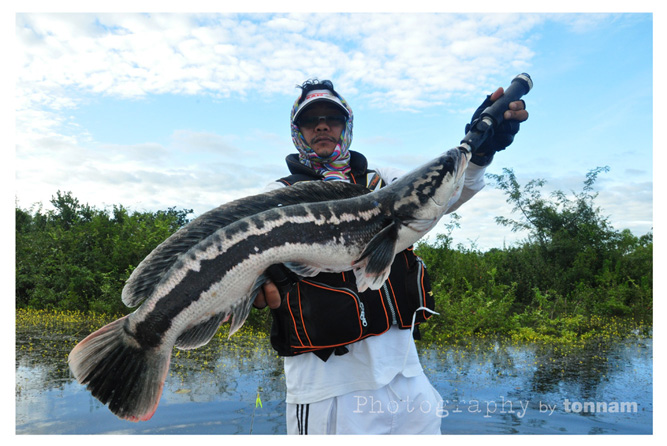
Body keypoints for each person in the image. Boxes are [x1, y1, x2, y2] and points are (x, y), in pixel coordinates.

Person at [253, 79, 528, 434]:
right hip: (328, 387)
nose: (323, 126)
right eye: (311, 120)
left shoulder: (380, 180)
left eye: (333, 118)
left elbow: (445, 195)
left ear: (346, 125)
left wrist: (479, 156)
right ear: (297, 131)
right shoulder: (279, 196)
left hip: (406, 376)